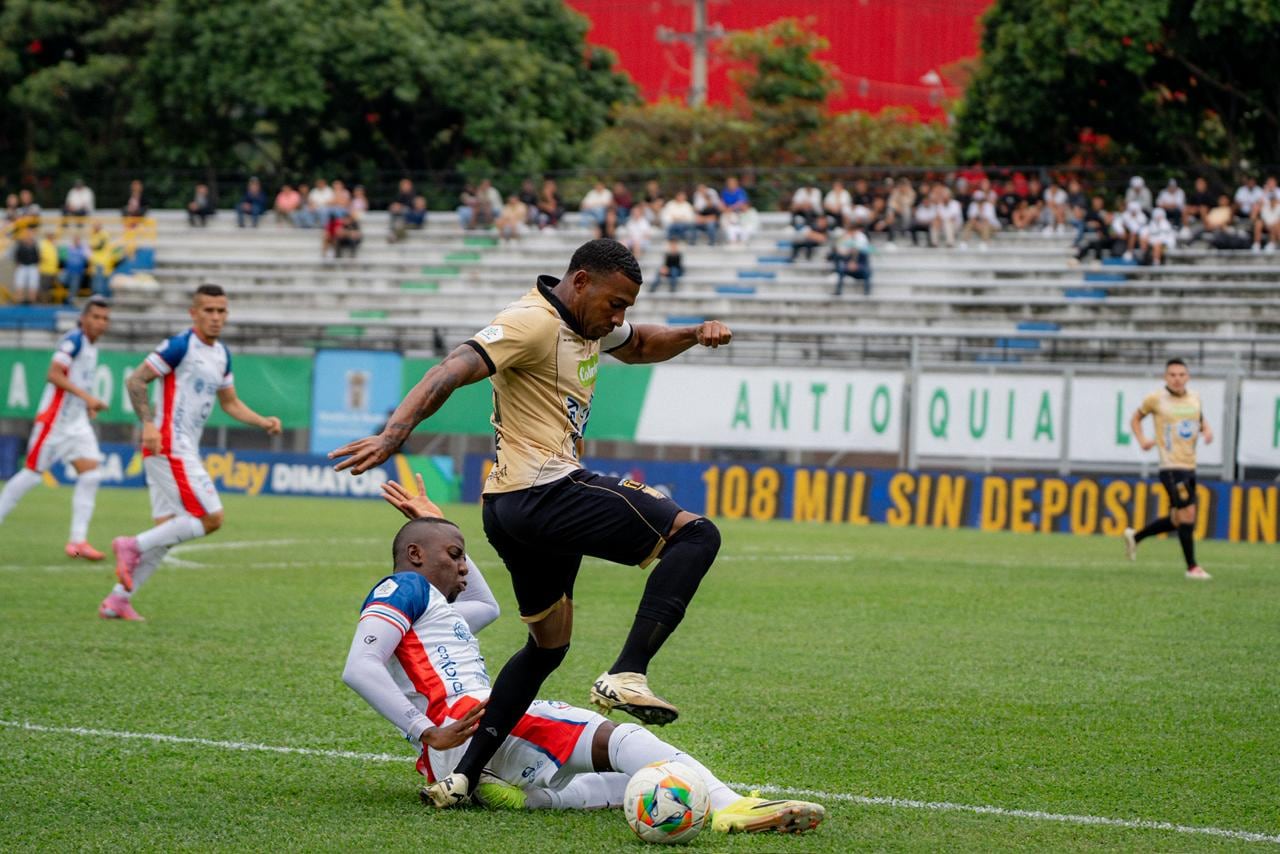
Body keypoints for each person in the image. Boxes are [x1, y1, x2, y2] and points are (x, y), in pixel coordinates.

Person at [330, 239, 733, 809]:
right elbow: (453, 368)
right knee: (696, 534)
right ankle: (627, 673)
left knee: (547, 646)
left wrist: (694, 332)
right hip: (544, 488)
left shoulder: (592, 325)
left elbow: (641, 344)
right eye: (614, 303)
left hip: (512, 512)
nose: (618, 317)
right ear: (580, 281)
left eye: (625, 307)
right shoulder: (531, 322)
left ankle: (463, 777)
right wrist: (393, 435)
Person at [341, 475, 825, 833]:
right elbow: (360, 666)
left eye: (465, 554)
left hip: (461, 748)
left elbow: (485, 606)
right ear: (416, 556)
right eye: (453, 554)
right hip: (467, 724)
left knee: (622, 785)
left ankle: (527, 799)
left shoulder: (437, 618)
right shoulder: (402, 586)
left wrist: (434, 520)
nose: (463, 565)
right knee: (617, 738)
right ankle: (729, 807)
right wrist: (426, 729)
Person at [102, 284, 282, 620]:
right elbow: (136, 381)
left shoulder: (221, 354)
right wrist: (149, 424)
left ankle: (118, 600)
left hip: (180, 446)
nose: (215, 317)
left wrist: (262, 421)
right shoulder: (181, 345)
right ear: (194, 313)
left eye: (221, 311)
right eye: (208, 310)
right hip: (168, 443)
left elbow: (229, 403)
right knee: (210, 518)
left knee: (170, 529)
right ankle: (130, 546)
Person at [0, 297, 112, 558]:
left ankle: (77, 541)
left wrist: (86, 406)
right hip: (54, 422)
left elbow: (77, 381)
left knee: (91, 474)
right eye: (95, 317)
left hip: (76, 423)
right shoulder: (73, 340)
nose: (100, 322)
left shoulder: (92, 347)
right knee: (31, 475)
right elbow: (53, 374)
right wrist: (88, 398)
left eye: (105, 318)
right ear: (83, 318)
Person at [1122, 359, 1213, 580]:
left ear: (1187, 377)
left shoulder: (1195, 398)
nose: (1177, 378)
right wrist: (1142, 439)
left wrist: (1207, 430)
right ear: (1166, 377)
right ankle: (1192, 567)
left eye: (1181, 374)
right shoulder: (1156, 399)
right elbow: (1135, 418)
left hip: (1190, 464)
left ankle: (1136, 536)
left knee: (1176, 518)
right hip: (1171, 466)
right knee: (1188, 514)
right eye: (1172, 374)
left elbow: (1199, 419)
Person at [11, 231, 40, 303]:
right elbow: (16, 255)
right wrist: (18, 264)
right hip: (22, 266)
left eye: (30, 235)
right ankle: (19, 299)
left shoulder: (35, 245)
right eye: (27, 235)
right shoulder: (20, 245)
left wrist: (36, 264)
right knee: (19, 283)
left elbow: (37, 256)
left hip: (32, 266)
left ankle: (32, 300)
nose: (29, 237)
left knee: (33, 283)